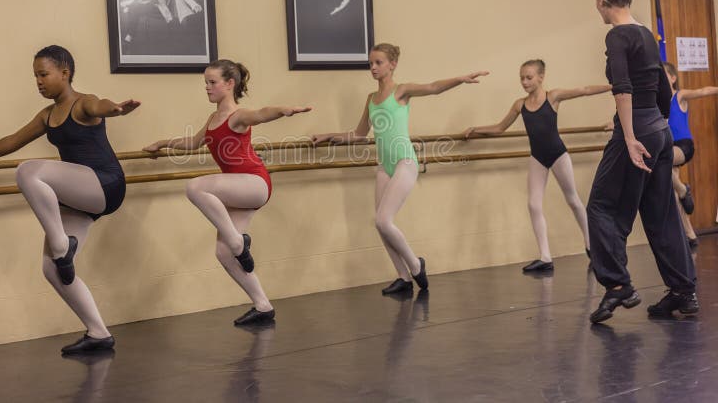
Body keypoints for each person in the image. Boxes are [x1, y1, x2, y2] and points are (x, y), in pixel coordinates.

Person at [0, 45, 140, 353]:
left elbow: (100, 105)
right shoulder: (48, 115)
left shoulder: (83, 103)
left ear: (64, 74)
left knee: (28, 171)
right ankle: (98, 332)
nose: (38, 81)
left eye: (43, 74)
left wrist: (115, 108)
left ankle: (63, 244)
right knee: (52, 268)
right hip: (80, 194)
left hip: (105, 184)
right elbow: (12, 141)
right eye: (35, 76)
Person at [312, 43, 488, 295]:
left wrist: (461, 78)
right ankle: (403, 278)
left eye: (378, 62)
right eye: (370, 63)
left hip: (405, 162)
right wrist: (329, 135)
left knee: (383, 220)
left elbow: (434, 88)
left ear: (392, 65)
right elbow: (359, 134)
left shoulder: (401, 91)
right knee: (380, 224)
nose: (373, 67)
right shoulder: (371, 100)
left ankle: (416, 265)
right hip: (385, 166)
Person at [144, 59, 310, 325]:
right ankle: (263, 305)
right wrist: (162, 144)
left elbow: (263, 113)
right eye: (205, 83)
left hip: (254, 182)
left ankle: (237, 241)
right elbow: (193, 143)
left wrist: (286, 110)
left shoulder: (238, 116)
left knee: (195, 186)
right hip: (237, 188)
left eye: (212, 82)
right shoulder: (213, 118)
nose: (207, 88)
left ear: (229, 84)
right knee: (222, 253)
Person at [585, 0, 697, 324]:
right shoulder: (646, 34)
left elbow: (622, 87)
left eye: (596, 2)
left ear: (602, 1)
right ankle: (683, 291)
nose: (597, 8)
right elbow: (664, 89)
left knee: (601, 207)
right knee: (660, 212)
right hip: (660, 131)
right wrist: (659, 129)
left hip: (637, 132)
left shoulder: (617, 35)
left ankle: (618, 285)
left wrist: (632, 137)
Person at [463, 60, 611, 272]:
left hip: (559, 155)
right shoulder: (519, 105)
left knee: (573, 200)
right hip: (538, 158)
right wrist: (476, 129)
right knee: (533, 204)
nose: (524, 82)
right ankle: (545, 257)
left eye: (529, 77)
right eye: (522, 78)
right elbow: (500, 127)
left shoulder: (553, 96)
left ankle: (592, 246)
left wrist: (614, 86)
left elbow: (584, 90)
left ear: (541, 77)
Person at [662, 62, 718, 250]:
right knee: (673, 191)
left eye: (663, 75)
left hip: (684, 147)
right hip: (668, 149)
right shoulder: (657, 102)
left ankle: (684, 190)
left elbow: (702, 91)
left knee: (661, 160)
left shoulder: (680, 96)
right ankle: (691, 236)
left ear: (672, 78)